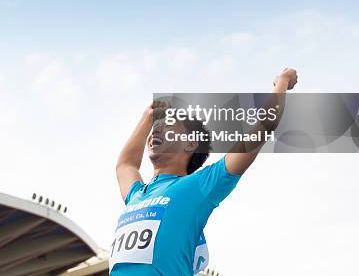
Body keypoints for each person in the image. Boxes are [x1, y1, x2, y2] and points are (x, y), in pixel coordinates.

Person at [110, 68, 298, 275]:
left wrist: (282, 81)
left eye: (168, 125)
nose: (157, 129)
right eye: (157, 126)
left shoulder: (199, 185)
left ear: (191, 143)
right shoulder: (136, 194)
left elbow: (263, 127)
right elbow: (125, 165)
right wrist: (147, 117)